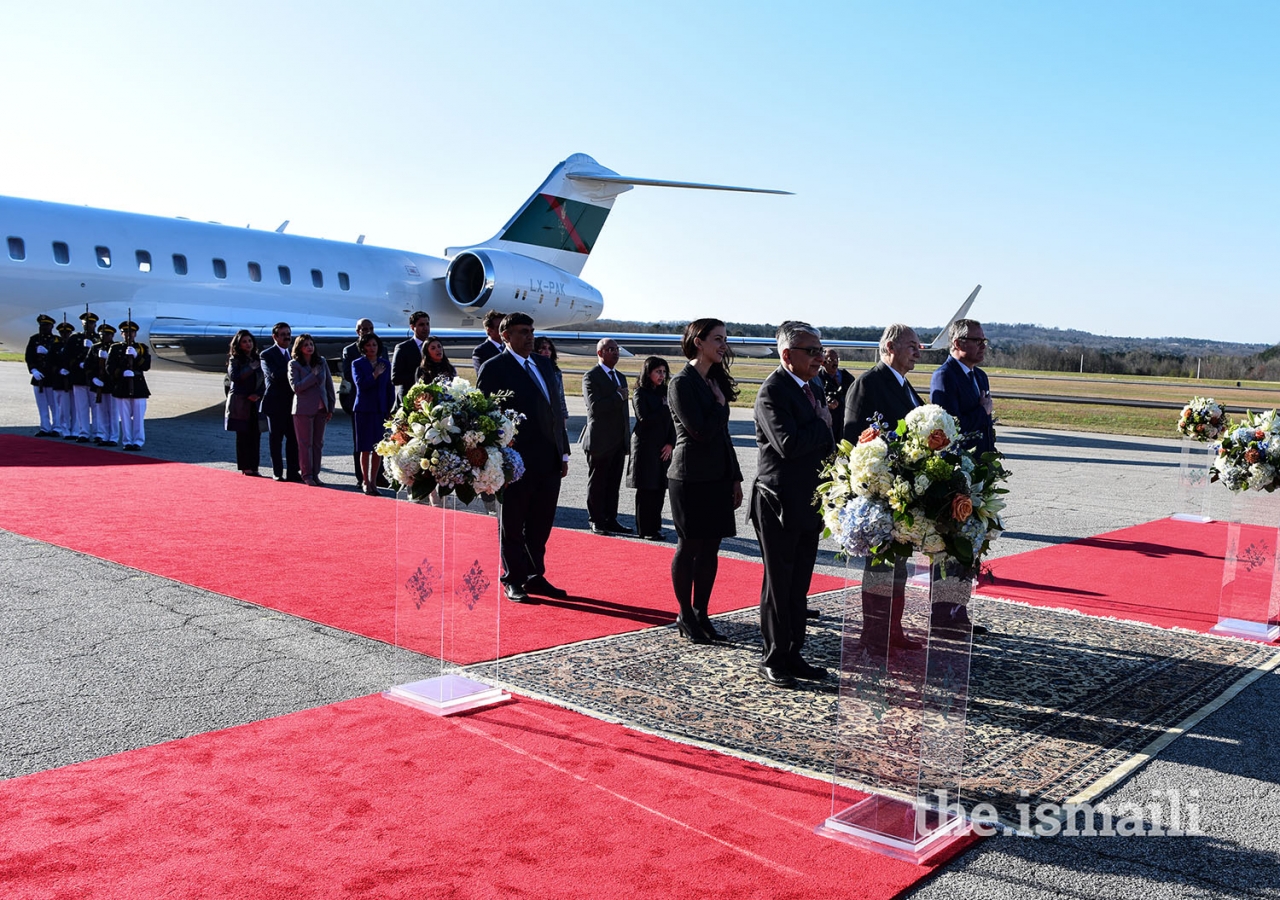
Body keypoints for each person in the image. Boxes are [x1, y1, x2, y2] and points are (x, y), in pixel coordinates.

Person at [750, 321, 834, 688]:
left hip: (808, 499)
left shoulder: (811, 386)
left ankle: (794, 651)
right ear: (788, 355)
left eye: (819, 350)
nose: (819, 357)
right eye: (811, 351)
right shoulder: (773, 391)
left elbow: (823, 441)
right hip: (777, 501)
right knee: (779, 581)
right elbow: (787, 443)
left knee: (799, 583)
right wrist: (822, 424)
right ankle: (773, 656)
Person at [842, 324, 926, 659]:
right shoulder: (868, 384)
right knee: (879, 568)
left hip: (902, 492)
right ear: (890, 347)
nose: (918, 352)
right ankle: (874, 635)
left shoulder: (906, 387)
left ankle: (893, 630)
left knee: (899, 568)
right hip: (879, 493)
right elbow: (853, 437)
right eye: (912, 346)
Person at [476, 313, 571, 603]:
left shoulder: (543, 364)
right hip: (515, 461)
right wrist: (493, 460)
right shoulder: (495, 368)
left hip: (549, 458)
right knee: (513, 522)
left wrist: (563, 451)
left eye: (531, 331)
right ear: (505, 336)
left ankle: (534, 574)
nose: (530, 337)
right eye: (522, 332)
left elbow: (556, 412)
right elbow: (485, 416)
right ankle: (513, 578)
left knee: (541, 522)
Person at [666, 318, 743, 644]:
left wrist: (736, 477)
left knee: (711, 550)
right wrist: (720, 407)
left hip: (717, 476)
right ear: (698, 342)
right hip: (690, 477)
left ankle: (702, 613)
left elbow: (722, 437)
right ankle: (685, 613)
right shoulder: (681, 383)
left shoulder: (714, 381)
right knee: (690, 547)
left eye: (724, 339)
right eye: (717, 339)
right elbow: (699, 430)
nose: (723, 345)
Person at [929, 318, 996, 636]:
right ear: (956, 344)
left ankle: (959, 611)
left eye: (984, 341)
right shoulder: (944, 376)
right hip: (955, 471)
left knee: (970, 543)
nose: (983, 346)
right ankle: (942, 616)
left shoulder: (979, 375)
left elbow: (986, 424)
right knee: (950, 543)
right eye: (977, 341)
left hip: (979, 470)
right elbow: (948, 429)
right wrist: (981, 413)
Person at [582, 337, 632, 535]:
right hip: (599, 441)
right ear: (600, 353)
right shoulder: (591, 376)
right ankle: (596, 520)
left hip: (618, 441)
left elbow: (623, 413)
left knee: (613, 484)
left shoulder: (620, 377)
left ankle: (611, 519)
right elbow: (594, 408)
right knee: (598, 483)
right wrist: (618, 396)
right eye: (610, 349)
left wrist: (626, 439)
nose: (615, 352)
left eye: (617, 349)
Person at [627, 356, 676, 541]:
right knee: (647, 489)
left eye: (664, 372)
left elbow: (673, 421)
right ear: (648, 373)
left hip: (664, 446)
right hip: (645, 447)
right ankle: (645, 528)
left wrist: (671, 443)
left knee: (660, 488)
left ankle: (655, 527)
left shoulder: (666, 392)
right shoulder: (640, 393)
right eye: (658, 371)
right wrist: (664, 408)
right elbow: (644, 419)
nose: (662, 375)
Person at [340, 319, 386, 487]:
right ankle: (362, 478)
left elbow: (387, 382)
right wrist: (373, 375)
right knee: (362, 444)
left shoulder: (382, 350)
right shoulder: (351, 352)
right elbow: (349, 375)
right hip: (361, 403)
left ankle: (378, 477)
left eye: (371, 328)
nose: (368, 331)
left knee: (379, 444)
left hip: (379, 405)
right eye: (364, 329)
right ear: (357, 331)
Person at [289, 333, 336, 486]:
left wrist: (330, 407)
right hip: (303, 409)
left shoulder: (321, 362)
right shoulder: (294, 364)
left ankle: (315, 474)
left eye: (311, 344)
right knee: (305, 443)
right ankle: (306, 474)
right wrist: (312, 376)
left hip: (321, 408)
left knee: (318, 443)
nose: (309, 347)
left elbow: (329, 385)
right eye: (305, 345)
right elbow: (296, 387)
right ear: (300, 348)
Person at [352, 333, 394, 495]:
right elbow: (361, 385)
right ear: (363, 347)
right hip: (364, 409)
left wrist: (389, 408)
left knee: (379, 448)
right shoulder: (358, 364)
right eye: (368, 345)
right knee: (365, 448)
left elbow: (389, 388)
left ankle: (374, 481)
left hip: (379, 410)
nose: (372, 348)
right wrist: (374, 374)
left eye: (374, 345)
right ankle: (365, 481)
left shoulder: (385, 363)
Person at [261, 322, 301, 482]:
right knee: (275, 439)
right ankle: (277, 471)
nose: (287, 337)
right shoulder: (267, 355)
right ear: (275, 337)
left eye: (288, 334)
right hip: (275, 404)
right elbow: (274, 376)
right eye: (283, 334)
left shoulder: (294, 354)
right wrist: (292, 367)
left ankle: (293, 471)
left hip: (292, 404)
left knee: (293, 440)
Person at [107, 320, 151, 451]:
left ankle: (138, 441)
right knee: (125, 417)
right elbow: (109, 367)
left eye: (131, 332)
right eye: (125, 332)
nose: (128, 334)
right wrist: (121, 372)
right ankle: (127, 441)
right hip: (122, 385)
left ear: (135, 334)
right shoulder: (115, 348)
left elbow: (146, 366)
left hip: (138, 385)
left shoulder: (142, 348)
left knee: (138, 417)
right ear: (121, 334)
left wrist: (136, 356)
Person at [225, 330, 264, 475]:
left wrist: (258, 394)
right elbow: (235, 377)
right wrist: (250, 368)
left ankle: (255, 467)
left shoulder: (257, 358)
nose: (248, 344)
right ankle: (245, 466)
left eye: (250, 341)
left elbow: (264, 380)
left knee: (256, 435)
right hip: (241, 402)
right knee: (243, 436)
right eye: (244, 342)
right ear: (239, 345)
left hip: (255, 401)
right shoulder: (235, 360)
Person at [67, 311, 99, 443]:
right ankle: (84, 432)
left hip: (93, 379)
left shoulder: (98, 339)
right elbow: (67, 356)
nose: (88, 326)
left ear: (95, 324)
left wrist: (92, 351)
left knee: (97, 408)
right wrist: (78, 363)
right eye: (86, 324)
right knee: (82, 407)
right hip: (79, 377)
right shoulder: (74, 339)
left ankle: (98, 432)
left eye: (91, 323)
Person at [25, 314, 58, 436]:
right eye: (42, 325)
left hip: (52, 377)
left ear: (52, 326)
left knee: (54, 405)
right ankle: (44, 427)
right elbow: (29, 356)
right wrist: (33, 370)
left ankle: (57, 427)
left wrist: (48, 353)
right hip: (38, 377)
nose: (44, 328)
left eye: (47, 325)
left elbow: (58, 358)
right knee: (42, 405)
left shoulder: (56, 340)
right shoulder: (34, 339)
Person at [392, 310, 431, 404]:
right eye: (421, 325)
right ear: (412, 327)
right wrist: (420, 377)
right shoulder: (403, 348)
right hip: (408, 399)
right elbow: (395, 378)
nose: (425, 328)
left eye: (427, 324)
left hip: (430, 399)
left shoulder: (433, 346)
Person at [89, 323, 118, 446]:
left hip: (112, 385)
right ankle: (104, 436)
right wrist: (93, 378)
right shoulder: (95, 348)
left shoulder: (116, 348)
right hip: (99, 385)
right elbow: (88, 365)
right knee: (102, 413)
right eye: (101, 334)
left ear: (112, 335)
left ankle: (114, 437)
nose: (103, 337)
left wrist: (108, 359)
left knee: (113, 413)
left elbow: (118, 366)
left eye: (106, 335)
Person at [533, 336, 570, 427]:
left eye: (549, 349)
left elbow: (560, 396)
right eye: (543, 348)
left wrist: (563, 416)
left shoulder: (556, 372)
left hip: (553, 415)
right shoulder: (532, 370)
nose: (547, 352)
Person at [819, 349, 855, 439]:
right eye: (831, 360)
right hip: (830, 423)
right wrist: (827, 402)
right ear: (823, 363)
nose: (835, 363)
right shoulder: (818, 379)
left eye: (837, 360)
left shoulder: (847, 377)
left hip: (846, 419)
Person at [52, 320, 77, 438]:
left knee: (75, 408)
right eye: (62, 333)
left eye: (67, 333)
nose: (65, 335)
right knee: (63, 408)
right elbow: (49, 363)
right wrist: (58, 370)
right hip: (60, 381)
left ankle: (75, 429)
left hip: (72, 380)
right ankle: (65, 429)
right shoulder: (55, 346)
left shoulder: (74, 346)